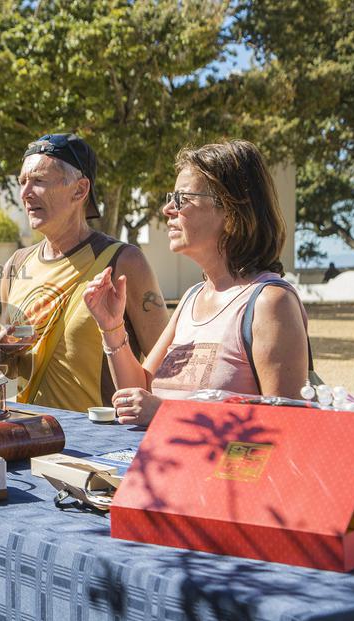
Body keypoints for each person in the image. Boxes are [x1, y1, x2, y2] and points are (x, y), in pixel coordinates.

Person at [83, 139, 310, 425]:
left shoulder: (270, 303)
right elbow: (138, 393)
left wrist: (167, 414)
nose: (167, 209)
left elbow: (287, 425)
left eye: (182, 199)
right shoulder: (192, 298)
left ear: (230, 213)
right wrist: (111, 326)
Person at [0, 133, 168, 412]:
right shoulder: (16, 265)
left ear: (80, 189)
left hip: (100, 447)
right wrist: (3, 348)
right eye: (22, 182)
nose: (25, 194)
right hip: (32, 438)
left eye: (38, 180)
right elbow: (8, 375)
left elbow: (166, 369)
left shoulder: (123, 261)